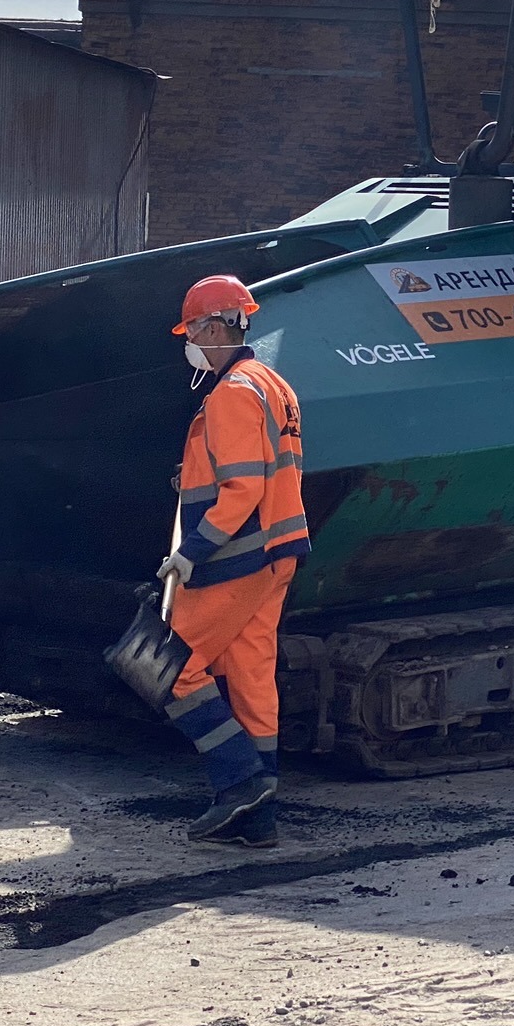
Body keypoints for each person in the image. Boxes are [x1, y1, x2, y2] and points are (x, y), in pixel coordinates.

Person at [159, 275, 310, 844]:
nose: (190, 339)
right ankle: (257, 820)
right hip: (277, 553)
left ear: (218, 324)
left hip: (238, 555)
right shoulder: (272, 384)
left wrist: (191, 553)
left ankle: (240, 781)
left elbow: (243, 490)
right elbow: (258, 472)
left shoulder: (231, 394)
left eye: (194, 328)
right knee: (250, 680)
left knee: (170, 667)